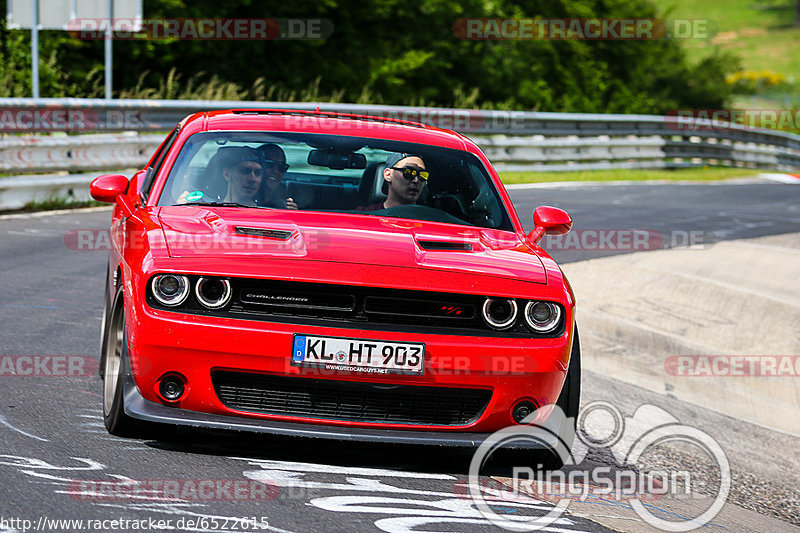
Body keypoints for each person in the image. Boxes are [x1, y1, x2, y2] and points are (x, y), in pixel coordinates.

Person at [358, 152, 429, 211]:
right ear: (388, 175)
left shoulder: (431, 220)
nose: (416, 180)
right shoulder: (363, 216)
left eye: (422, 175)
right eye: (408, 172)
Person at [255, 143, 298, 209]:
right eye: (269, 164)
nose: (275, 171)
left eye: (281, 167)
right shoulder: (242, 196)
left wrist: (292, 213)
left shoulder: (288, 198)